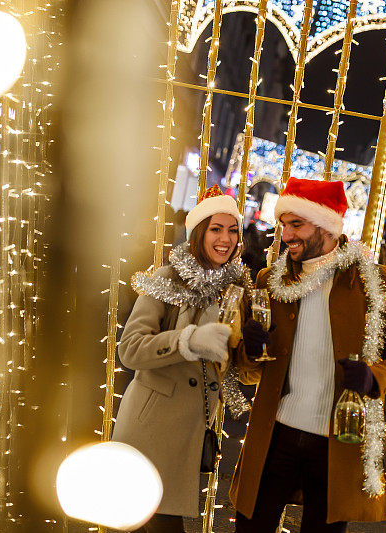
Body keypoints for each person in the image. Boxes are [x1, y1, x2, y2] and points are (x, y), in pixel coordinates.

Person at [230, 177, 386, 532]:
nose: (286, 235)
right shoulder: (269, 282)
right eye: (283, 224)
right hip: (275, 436)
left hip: (339, 444)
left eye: (297, 224)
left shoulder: (377, 284)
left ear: (328, 226)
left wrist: (374, 377)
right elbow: (247, 371)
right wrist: (251, 350)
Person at [111, 185, 245, 533]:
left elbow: (230, 363)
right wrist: (188, 340)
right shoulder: (168, 278)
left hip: (190, 428)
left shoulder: (234, 289)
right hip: (151, 427)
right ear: (199, 232)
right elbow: (130, 349)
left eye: (233, 230)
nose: (225, 239)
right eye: (216, 229)